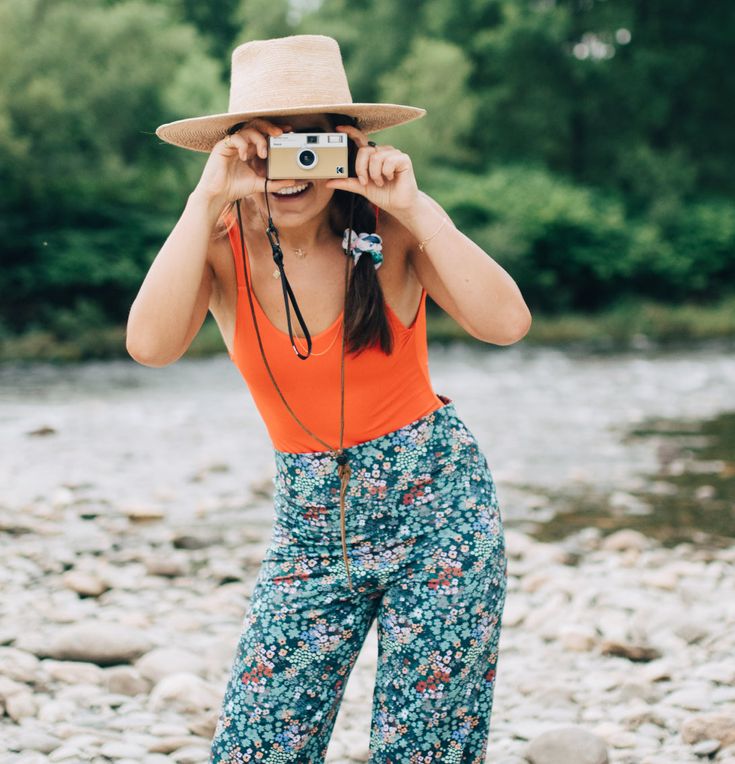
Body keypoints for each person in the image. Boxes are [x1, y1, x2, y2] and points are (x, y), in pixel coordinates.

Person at [128, 33, 531, 764]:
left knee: (424, 747)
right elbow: (149, 347)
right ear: (233, 150)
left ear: (344, 147)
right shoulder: (217, 248)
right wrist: (206, 196)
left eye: (307, 142)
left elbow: (505, 325)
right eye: (264, 145)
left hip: (438, 507)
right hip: (310, 529)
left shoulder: (389, 231)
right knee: (259, 745)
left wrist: (415, 206)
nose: (288, 166)